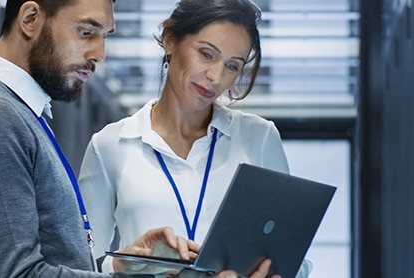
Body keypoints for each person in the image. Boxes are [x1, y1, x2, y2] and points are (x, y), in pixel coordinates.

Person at [0, 0, 275, 277]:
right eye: (86, 32)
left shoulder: (21, 114)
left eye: (105, 35)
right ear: (29, 19)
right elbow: (19, 274)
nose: (100, 54)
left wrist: (125, 265)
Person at [77, 0, 310, 276]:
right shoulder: (110, 146)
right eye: (207, 54)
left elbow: (291, 255)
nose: (216, 76)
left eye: (232, 66)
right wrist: (120, 265)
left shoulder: (259, 138)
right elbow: (81, 261)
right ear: (170, 39)